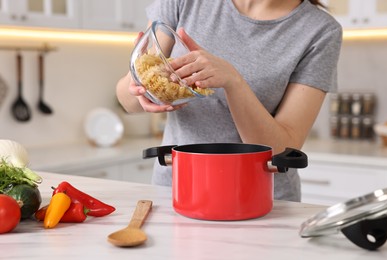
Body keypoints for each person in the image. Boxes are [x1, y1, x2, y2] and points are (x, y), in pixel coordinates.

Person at [116, 0, 342, 202]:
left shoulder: (320, 31)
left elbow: (282, 149)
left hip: (261, 198)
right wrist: (142, 88)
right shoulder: (184, 2)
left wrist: (233, 82)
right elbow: (127, 98)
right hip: (177, 190)